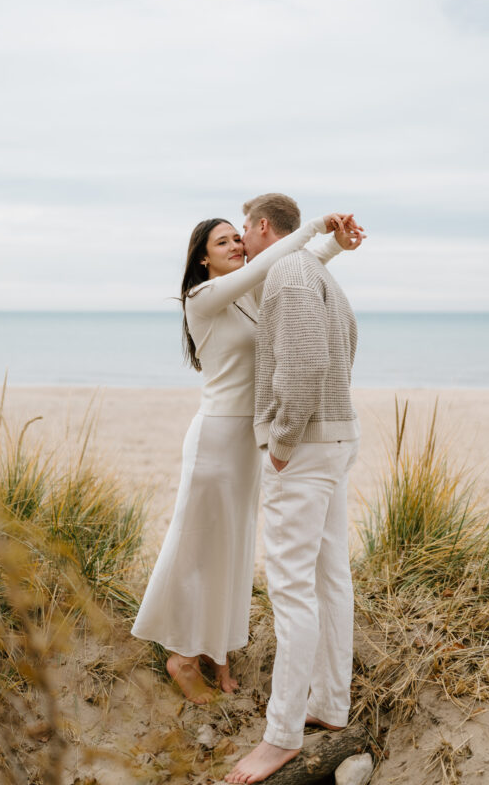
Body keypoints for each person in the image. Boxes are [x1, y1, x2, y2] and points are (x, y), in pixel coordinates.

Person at [131, 200, 364, 705]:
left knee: (234, 550)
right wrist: (314, 225)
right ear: (202, 260)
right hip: (216, 439)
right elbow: (268, 262)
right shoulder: (204, 296)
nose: (237, 245)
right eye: (224, 242)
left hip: (249, 441)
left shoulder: (249, 293)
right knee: (198, 548)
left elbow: (292, 269)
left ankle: (218, 649)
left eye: (237, 238)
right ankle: (182, 656)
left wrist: (335, 246)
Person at [226, 193, 362, 784]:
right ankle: (330, 705)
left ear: (261, 228)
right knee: (331, 575)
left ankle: (280, 735)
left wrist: (281, 440)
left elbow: (303, 364)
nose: (241, 246)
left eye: (243, 233)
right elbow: (347, 344)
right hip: (334, 437)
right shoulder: (313, 271)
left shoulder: (285, 271)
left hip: (304, 449)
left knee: (290, 589)